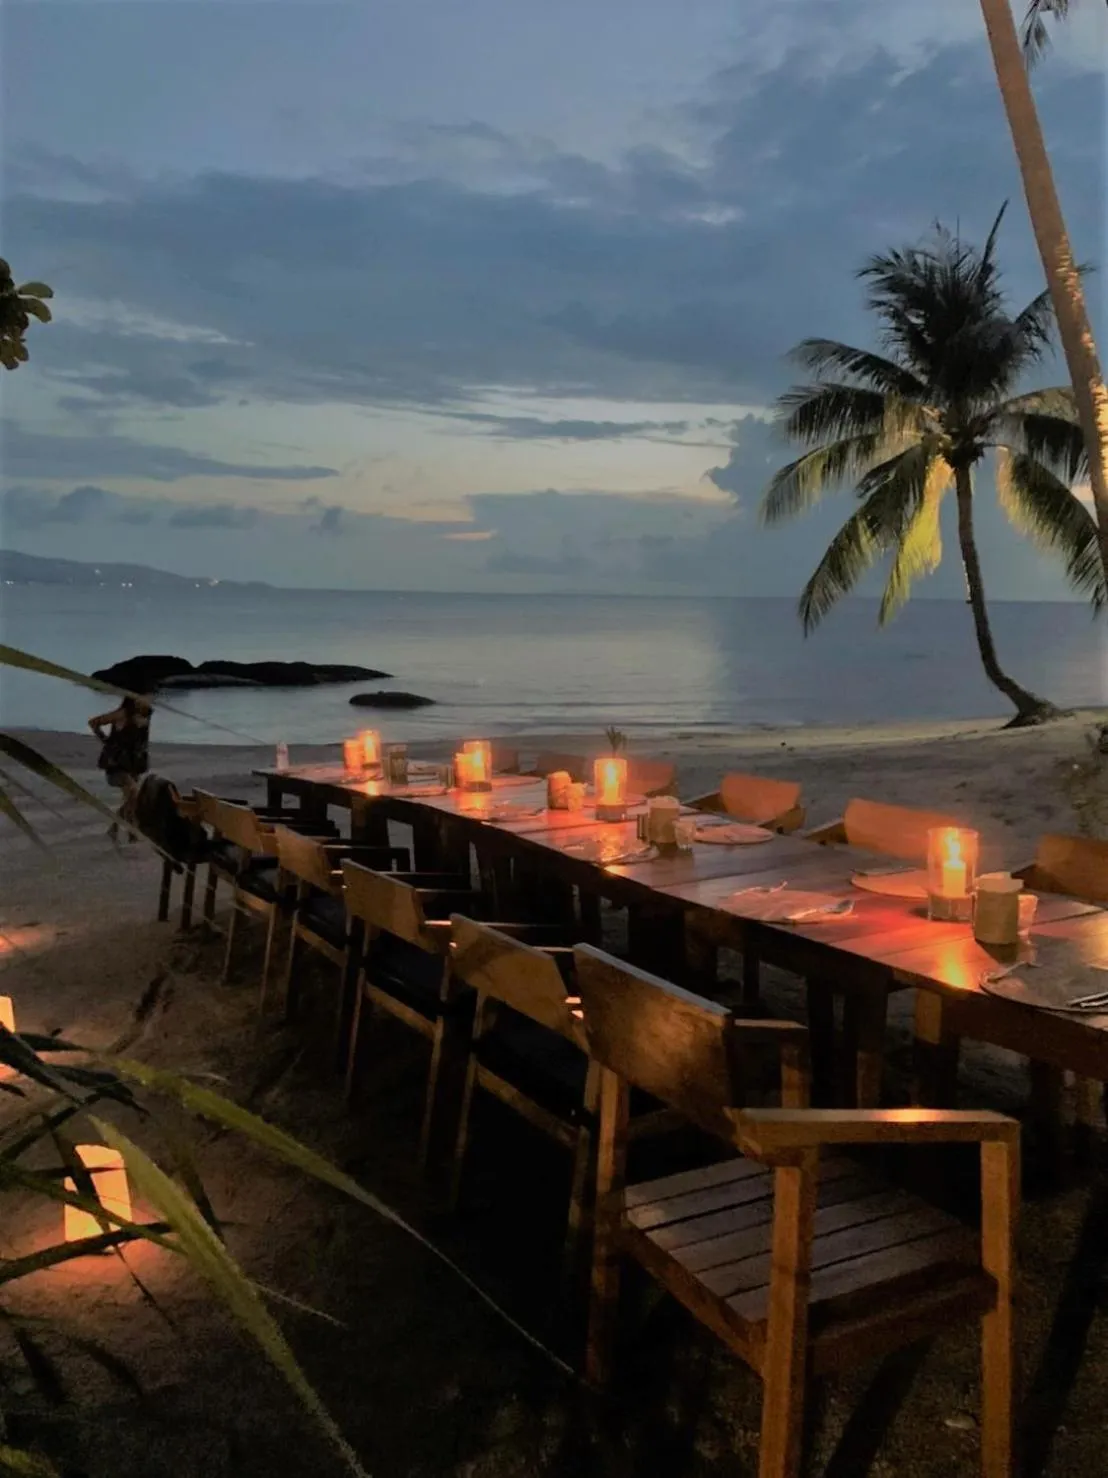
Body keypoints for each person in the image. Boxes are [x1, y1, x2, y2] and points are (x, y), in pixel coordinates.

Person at [89, 695, 152, 840]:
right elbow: (93, 723)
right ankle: (130, 831)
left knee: (131, 799)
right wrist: (107, 742)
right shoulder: (122, 714)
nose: (148, 699)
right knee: (134, 794)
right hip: (117, 765)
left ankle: (119, 829)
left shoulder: (146, 714)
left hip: (134, 764)